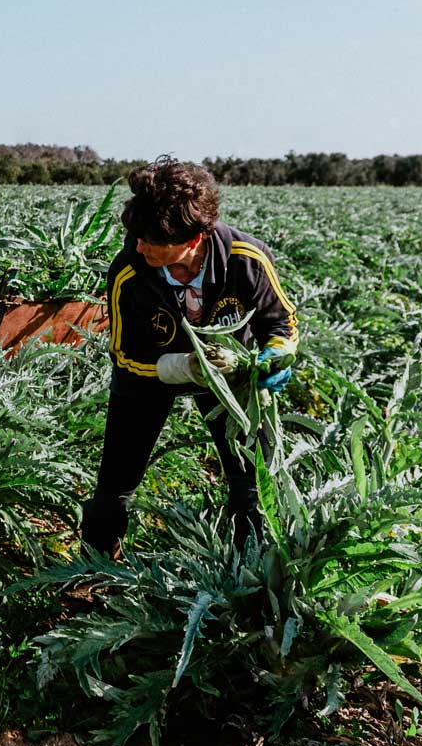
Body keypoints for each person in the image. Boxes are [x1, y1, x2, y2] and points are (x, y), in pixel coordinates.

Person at [81, 156, 298, 556]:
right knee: (116, 482)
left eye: (152, 240)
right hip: (147, 377)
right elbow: (124, 356)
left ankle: (246, 569)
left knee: (253, 480)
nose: (139, 245)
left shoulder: (247, 259)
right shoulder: (129, 271)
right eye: (137, 235)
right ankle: (95, 564)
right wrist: (183, 367)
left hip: (230, 378)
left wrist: (278, 353)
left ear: (193, 240)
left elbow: (280, 321)